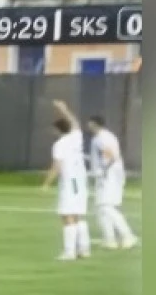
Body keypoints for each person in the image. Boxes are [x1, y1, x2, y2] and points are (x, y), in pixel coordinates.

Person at [42, 100, 92, 261]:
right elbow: (75, 123)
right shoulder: (76, 137)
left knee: (67, 215)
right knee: (78, 215)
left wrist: (46, 183)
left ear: (57, 130)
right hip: (80, 180)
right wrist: (64, 109)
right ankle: (84, 248)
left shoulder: (60, 144)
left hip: (70, 181)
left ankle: (69, 251)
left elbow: (57, 166)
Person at [87, 115, 139, 250]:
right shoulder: (101, 137)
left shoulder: (102, 138)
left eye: (90, 123)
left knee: (106, 207)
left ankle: (128, 235)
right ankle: (109, 239)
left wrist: (103, 170)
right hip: (107, 175)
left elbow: (111, 156)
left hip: (109, 176)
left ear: (94, 124)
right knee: (101, 208)